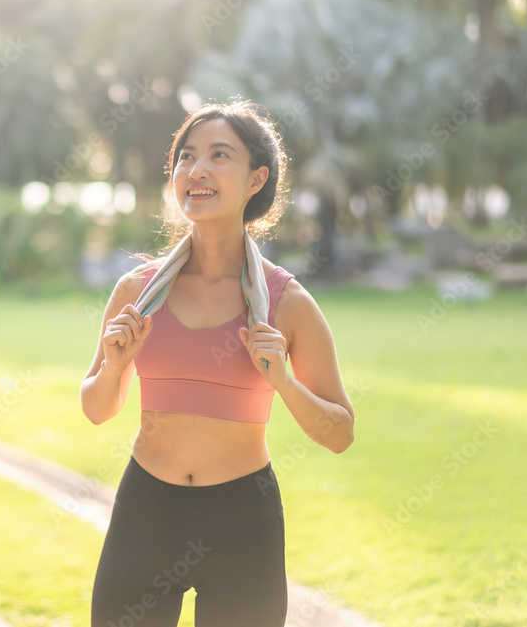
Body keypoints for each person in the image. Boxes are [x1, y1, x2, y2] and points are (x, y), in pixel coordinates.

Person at [81, 99, 355, 627]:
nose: (197, 170)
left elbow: (340, 432)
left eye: (219, 155)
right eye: (186, 156)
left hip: (242, 520)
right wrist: (115, 367)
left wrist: (285, 382)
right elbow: (95, 408)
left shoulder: (286, 302)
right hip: (146, 513)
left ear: (256, 179)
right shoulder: (138, 293)